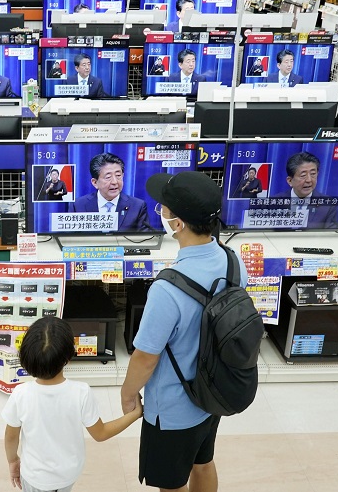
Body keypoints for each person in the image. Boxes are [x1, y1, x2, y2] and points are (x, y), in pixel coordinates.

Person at [122, 171, 247, 492]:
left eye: (162, 207)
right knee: (203, 462)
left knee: (171, 482)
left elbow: (145, 357)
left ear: (177, 224)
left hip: (175, 407)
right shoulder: (233, 261)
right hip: (214, 390)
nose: (158, 211)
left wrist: (127, 394)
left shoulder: (167, 289)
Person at [3, 316, 142, 492]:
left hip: (33, 475)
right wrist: (134, 414)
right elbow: (101, 433)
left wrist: (13, 461)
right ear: (68, 357)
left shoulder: (20, 394)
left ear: (26, 357)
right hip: (68, 474)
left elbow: (10, 436)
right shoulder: (81, 392)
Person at [68, 152, 149, 231]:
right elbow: (70, 239)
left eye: (118, 176)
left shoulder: (138, 206)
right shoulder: (78, 206)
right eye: (108, 177)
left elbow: (144, 239)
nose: (114, 182)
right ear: (95, 182)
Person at [272, 151, 338, 228]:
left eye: (313, 174)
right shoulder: (274, 203)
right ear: (290, 181)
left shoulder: (328, 205)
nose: (309, 180)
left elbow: (332, 235)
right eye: (303, 175)